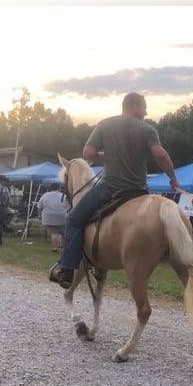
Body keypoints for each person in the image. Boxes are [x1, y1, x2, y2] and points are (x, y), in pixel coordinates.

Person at [49, 92, 180, 288]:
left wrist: (105, 156)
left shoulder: (105, 124)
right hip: (139, 190)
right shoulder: (148, 130)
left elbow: (88, 153)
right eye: (144, 107)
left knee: (74, 219)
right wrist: (173, 178)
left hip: (110, 188)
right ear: (134, 106)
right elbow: (160, 154)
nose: (146, 112)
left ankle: (67, 269)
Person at [37, 182, 69, 252]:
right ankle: (63, 247)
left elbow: (39, 207)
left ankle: (55, 248)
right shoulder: (63, 196)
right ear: (59, 188)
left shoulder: (44, 195)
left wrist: (39, 215)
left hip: (48, 217)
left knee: (54, 233)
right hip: (61, 217)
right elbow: (68, 207)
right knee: (63, 233)